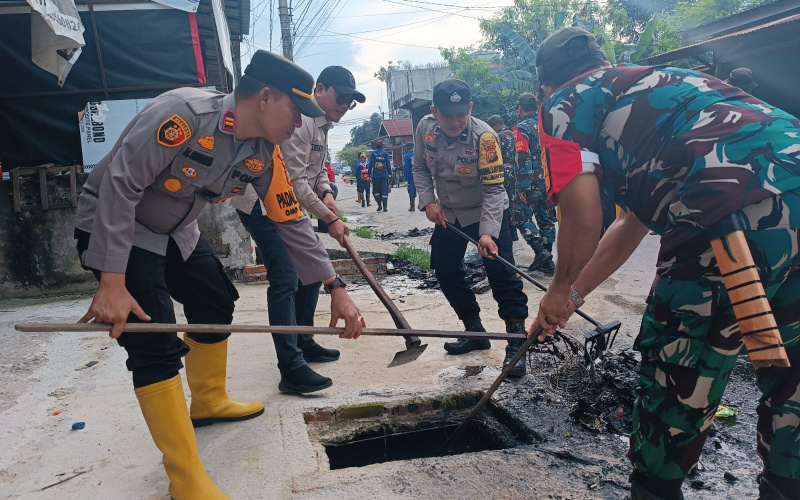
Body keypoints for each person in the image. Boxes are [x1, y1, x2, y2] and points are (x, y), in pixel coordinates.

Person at [73, 50, 365, 499]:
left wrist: (335, 287)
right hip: (119, 227)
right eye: (295, 110)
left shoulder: (264, 154)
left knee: (215, 301)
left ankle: (207, 400)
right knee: (153, 338)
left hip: (176, 231)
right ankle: (185, 477)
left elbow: (289, 219)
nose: (298, 123)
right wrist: (112, 282)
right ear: (265, 97)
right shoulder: (186, 116)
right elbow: (119, 183)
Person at [530, 27, 800, 500]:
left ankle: (654, 490)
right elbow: (631, 224)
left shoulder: (564, 104)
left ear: (547, 85)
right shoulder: (666, 81)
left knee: (680, 368)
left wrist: (556, 287)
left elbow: (583, 215)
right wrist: (570, 299)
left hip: (722, 212)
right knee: (795, 368)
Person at [232, 65, 365, 396]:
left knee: (308, 273)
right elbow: (294, 182)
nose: (345, 105)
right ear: (320, 90)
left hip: (289, 203)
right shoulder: (301, 121)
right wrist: (329, 218)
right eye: (341, 96)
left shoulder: (323, 126)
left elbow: (316, 175)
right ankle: (290, 368)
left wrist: (329, 197)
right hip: (261, 203)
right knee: (286, 278)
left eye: (351, 100)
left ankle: (304, 341)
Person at [413, 79, 529, 377]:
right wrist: (428, 202)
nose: (455, 121)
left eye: (461, 114)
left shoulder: (485, 138)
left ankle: (516, 342)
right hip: (448, 213)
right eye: (448, 114)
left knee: (501, 272)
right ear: (434, 111)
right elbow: (419, 168)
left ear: (471, 109)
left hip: (486, 210)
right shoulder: (425, 129)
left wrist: (487, 233)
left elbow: (494, 190)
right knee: (444, 267)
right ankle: (474, 330)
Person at [513, 94, 557, 275]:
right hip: (549, 179)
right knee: (545, 217)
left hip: (531, 180)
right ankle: (548, 261)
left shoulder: (522, 128)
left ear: (520, 108)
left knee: (520, 217)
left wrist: (523, 186)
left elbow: (523, 156)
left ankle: (540, 251)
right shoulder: (547, 126)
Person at [369, 139, 392, 212]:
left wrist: (369, 173)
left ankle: (379, 206)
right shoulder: (385, 154)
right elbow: (388, 165)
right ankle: (385, 207)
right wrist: (390, 175)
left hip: (375, 176)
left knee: (376, 191)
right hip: (384, 175)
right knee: (384, 191)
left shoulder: (373, 154)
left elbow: (370, 164)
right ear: (382, 146)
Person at [402, 142, 416, 211]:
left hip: (411, 176)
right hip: (421, 175)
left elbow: (406, 168)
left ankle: (412, 206)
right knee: (423, 190)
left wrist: (406, 179)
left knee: (411, 191)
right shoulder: (419, 155)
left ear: (407, 149)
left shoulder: (406, 157)